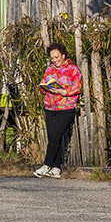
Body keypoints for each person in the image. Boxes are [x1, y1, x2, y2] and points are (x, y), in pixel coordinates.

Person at [34, 42, 81, 179]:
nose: (55, 60)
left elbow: (77, 87)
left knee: (55, 135)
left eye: (57, 57)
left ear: (63, 55)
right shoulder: (49, 70)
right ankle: (56, 168)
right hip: (50, 107)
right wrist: (43, 87)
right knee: (54, 138)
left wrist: (64, 91)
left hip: (66, 108)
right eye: (52, 58)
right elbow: (44, 85)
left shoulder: (73, 70)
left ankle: (46, 165)